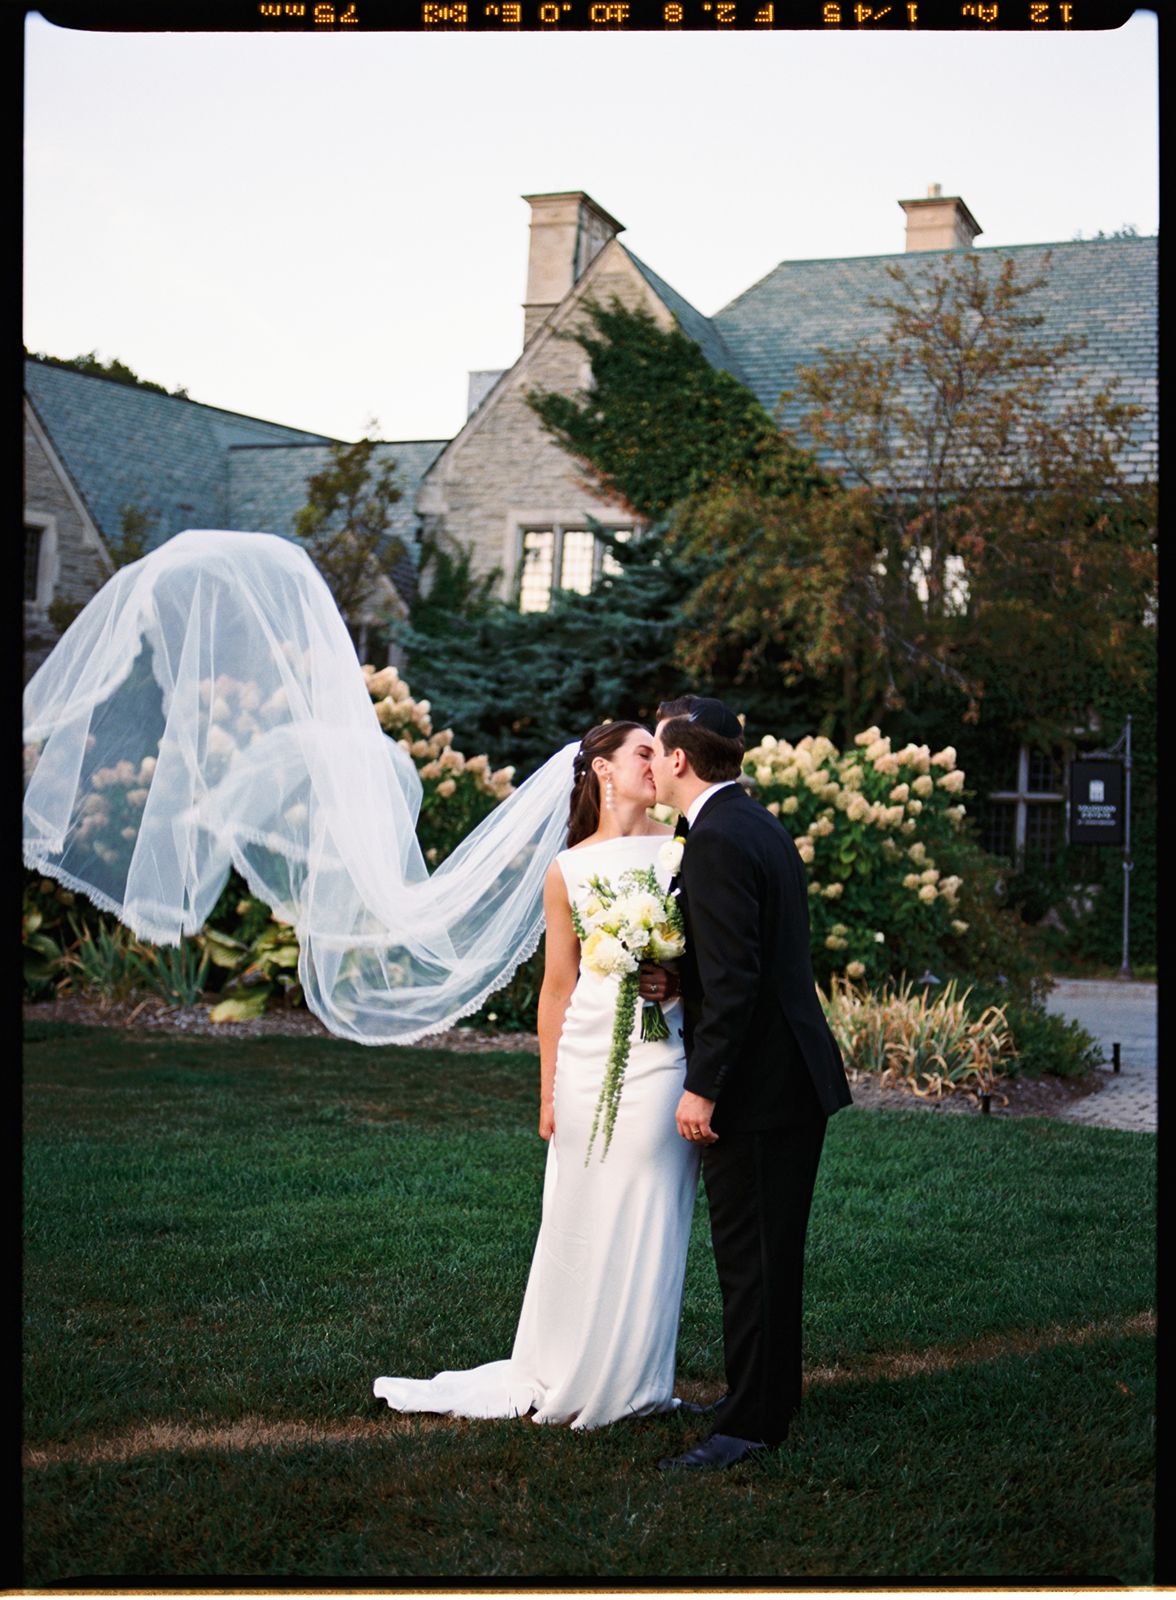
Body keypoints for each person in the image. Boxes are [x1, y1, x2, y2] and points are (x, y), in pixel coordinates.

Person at [373, 719, 702, 1429]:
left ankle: (638, 1379)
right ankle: (565, 1363)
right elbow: (558, 987)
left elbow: (710, 954)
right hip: (586, 1064)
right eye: (642, 751)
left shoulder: (686, 848)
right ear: (605, 772)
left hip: (662, 1059)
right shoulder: (569, 868)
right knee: (577, 1220)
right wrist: (548, 1088)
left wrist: (677, 975)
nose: (658, 762)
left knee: (652, 1210)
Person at [644, 695, 853, 1472]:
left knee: (752, 1256)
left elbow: (737, 985)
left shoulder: (719, 839)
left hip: (763, 1087)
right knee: (765, 1252)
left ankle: (749, 1425)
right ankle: (767, 1397)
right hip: (785, 1076)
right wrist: (680, 975)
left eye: (658, 750)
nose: (655, 764)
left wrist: (703, 1087)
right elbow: (744, 959)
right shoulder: (748, 822)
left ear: (679, 759)